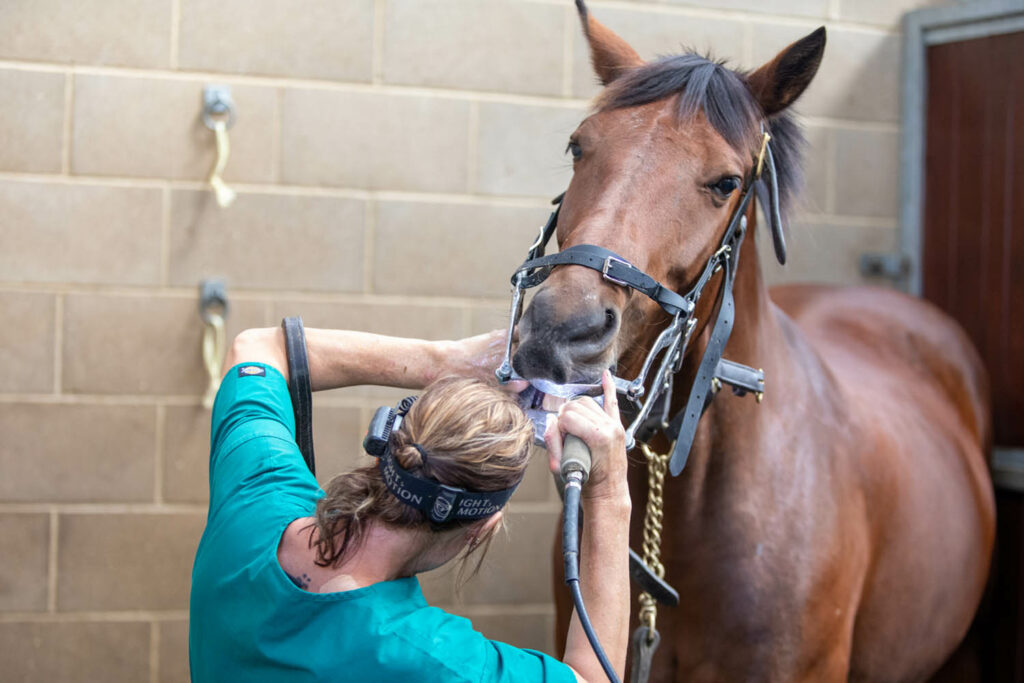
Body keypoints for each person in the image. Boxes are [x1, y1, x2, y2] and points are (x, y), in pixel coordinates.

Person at [188, 326, 631, 682]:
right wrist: (608, 493)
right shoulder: (432, 662)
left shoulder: (254, 497)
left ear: (389, 443)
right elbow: (593, 677)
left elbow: (259, 347)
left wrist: (441, 361)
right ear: (483, 527)